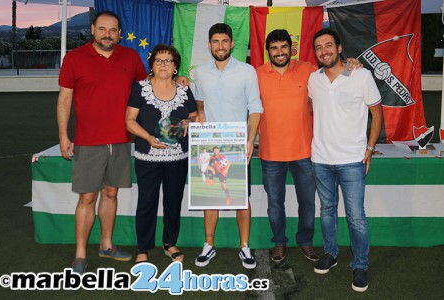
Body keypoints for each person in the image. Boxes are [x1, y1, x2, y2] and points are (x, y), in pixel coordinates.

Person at [57, 11, 147, 274]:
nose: (108, 34)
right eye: (103, 29)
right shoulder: (73, 58)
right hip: (88, 141)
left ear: (120, 33)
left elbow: (148, 89)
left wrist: (178, 81)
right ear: (93, 29)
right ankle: (80, 255)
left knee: (111, 192)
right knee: (87, 197)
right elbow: (64, 100)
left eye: (113, 30)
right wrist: (63, 135)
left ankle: (106, 245)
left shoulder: (130, 57)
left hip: (121, 139)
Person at [308, 28, 382, 292]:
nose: (324, 51)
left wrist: (370, 148)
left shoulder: (361, 75)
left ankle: (360, 265)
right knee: (326, 211)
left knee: (356, 217)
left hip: (352, 160)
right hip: (320, 159)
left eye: (329, 45)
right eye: (319, 47)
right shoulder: (313, 79)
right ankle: (331, 253)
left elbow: (377, 113)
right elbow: (310, 109)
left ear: (339, 48)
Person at [194, 23, 263, 269]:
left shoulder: (247, 71)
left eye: (225, 41)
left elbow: (255, 107)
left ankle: (244, 247)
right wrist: (201, 113)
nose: (220, 46)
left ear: (232, 43)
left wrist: (250, 141)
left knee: (241, 199)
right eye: (215, 41)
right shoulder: (201, 72)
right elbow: (200, 101)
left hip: (237, 143)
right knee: (210, 197)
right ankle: (209, 245)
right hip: (210, 141)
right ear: (209, 44)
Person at [126, 44, 197, 263]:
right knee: (147, 200)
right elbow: (129, 121)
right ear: (152, 65)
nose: (163, 64)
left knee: (173, 201)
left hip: (177, 157)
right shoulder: (140, 89)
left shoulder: (184, 90)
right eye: (159, 60)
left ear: (176, 67)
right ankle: (143, 247)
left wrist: (188, 121)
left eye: (168, 61)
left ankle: (170, 243)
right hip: (147, 156)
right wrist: (148, 138)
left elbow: (194, 115)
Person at [256, 29, 318, 263]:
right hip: (271, 153)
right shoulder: (257, 74)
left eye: (284, 47)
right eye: (274, 48)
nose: (279, 52)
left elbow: (334, 74)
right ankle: (279, 242)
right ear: (268, 50)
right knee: (274, 203)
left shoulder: (308, 69)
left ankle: (305, 241)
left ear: (291, 49)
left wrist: (352, 63)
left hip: (304, 151)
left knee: (308, 202)